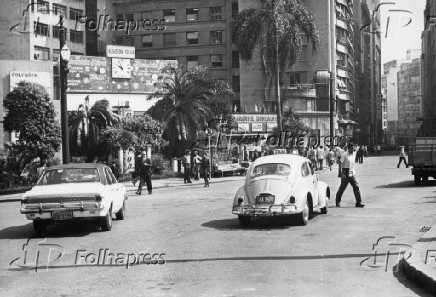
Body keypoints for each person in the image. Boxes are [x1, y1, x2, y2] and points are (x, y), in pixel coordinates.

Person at [335, 143, 365, 208]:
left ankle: (358, 202)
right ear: (348, 148)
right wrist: (340, 172)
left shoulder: (354, 153)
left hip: (352, 172)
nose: (352, 149)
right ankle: (337, 201)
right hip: (345, 172)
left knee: (356, 187)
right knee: (342, 188)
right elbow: (340, 162)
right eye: (350, 148)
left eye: (353, 148)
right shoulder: (345, 154)